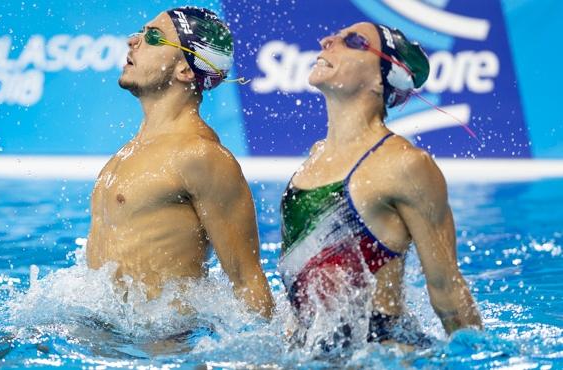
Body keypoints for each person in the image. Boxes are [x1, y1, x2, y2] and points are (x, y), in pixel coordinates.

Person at [278, 22, 482, 347]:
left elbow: (447, 288)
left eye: (353, 41)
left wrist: (480, 357)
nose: (328, 40)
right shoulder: (316, 155)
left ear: (381, 78)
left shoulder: (404, 164)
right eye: (333, 36)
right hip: (312, 347)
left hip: (380, 351)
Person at [86, 6, 273, 318]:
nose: (134, 41)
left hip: (163, 350)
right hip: (109, 337)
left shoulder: (201, 156)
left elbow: (246, 279)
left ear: (186, 70)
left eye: (154, 38)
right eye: (140, 33)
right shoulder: (129, 151)